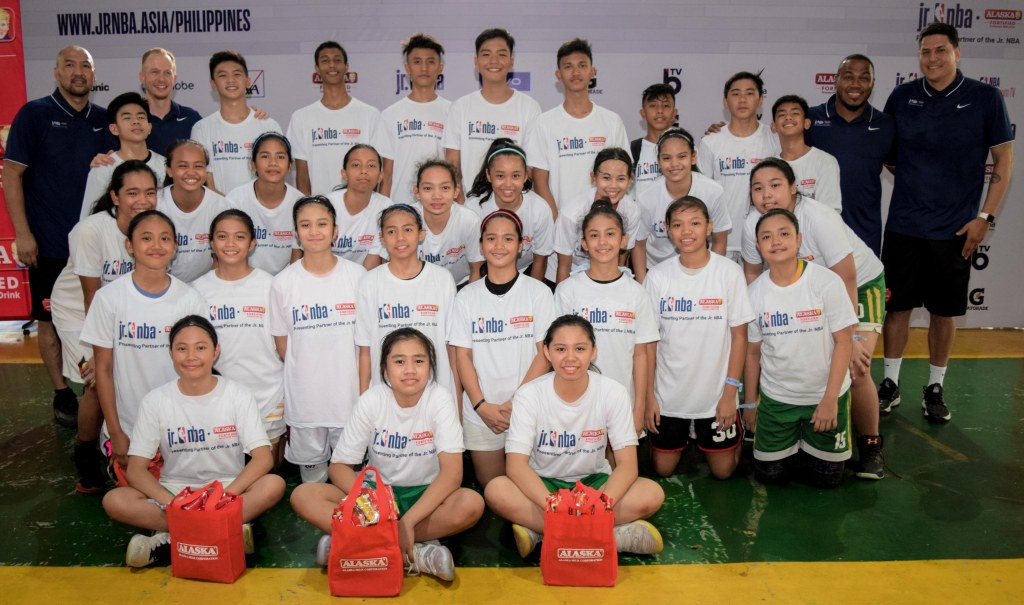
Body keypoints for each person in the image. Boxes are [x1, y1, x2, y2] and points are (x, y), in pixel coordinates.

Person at [880, 23, 1014, 424]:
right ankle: (890, 383)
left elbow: (1003, 162)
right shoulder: (903, 96)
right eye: (925, 52)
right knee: (897, 308)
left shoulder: (985, 97)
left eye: (940, 50)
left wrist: (984, 217)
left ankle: (935, 386)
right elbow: (885, 151)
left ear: (958, 52)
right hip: (904, 224)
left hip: (956, 230)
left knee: (944, 312)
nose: (932, 58)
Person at [291, 328, 483, 580]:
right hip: (376, 497)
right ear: (384, 369)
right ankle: (415, 553)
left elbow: (452, 474)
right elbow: (338, 467)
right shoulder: (371, 400)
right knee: (304, 495)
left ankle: (358, 543)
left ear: (431, 367)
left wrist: (409, 521)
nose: (410, 370)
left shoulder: (440, 400)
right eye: (399, 361)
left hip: (426, 496)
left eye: (419, 361)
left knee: (471, 504)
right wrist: (379, 504)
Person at [101, 315, 285, 568]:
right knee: (115, 501)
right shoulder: (155, 401)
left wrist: (223, 497)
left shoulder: (237, 395)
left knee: (272, 485)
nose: (191, 356)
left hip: (226, 490)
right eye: (181, 348)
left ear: (215, 351)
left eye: (200, 347)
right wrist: (175, 504)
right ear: (170, 353)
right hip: (174, 493)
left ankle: (170, 539)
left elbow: (263, 458)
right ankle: (224, 530)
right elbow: (136, 469)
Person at [741, 158, 886, 479]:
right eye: (758, 188)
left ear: (794, 188)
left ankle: (871, 444)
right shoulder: (753, 221)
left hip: (857, 285)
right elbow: (752, 272)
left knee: (856, 366)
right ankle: (793, 436)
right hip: (810, 288)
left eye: (775, 185)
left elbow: (846, 276)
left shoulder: (818, 217)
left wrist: (851, 336)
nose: (767, 195)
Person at [483, 315, 665, 558]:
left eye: (580, 348)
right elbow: (516, 466)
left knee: (652, 494)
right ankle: (612, 536)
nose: (570, 358)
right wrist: (553, 505)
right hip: (545, 486)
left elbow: (628, 466)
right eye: (560, 349)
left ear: (593, 352)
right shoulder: (529, 395)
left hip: (594, 484)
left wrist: (600, 504)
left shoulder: (613, 392)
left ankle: (544, 533)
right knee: (496, 490)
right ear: (547, 352)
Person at [3, 45, 108, 427]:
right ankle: (62, 392)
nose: (78, 72)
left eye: (86, 65)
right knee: (48, 321)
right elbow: (12, 175)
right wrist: (23, 233)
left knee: (99, 317)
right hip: (48, 241)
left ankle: (104, 386)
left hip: (97, 246)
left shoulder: (105, 119)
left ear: (94, 75)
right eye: (70, 65)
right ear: (56, 71)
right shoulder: (34, 114)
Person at [50, 162, 159, 493]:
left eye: (150, 192)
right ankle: (85, 459)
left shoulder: (153, 227)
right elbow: (90, 296)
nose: (142, 200)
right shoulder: (91, 230)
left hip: (122, 313)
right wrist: (102, 356)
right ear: (114, 196)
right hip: (79, 315)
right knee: (97, 380)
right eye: (132, 192)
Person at [79, 210, 207, 482]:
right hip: (128, 427)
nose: (156, 246)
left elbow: (198, 369)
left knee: (178, 495)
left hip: (179, 426)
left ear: (175, 246)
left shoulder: (189, 299)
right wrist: (116, 432)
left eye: (164, 238)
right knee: (130, 500)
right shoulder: (108, 299)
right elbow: (102, 369)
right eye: (146, 238)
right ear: (130, 245)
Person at [744, 209, 858, 488]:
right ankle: (793, 444)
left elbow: (844, 342)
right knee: (771, 477)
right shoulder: (754, 293)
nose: (776, 242)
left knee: (827, 480)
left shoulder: (826, 282)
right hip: (777, 399)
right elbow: (753, 353)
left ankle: (808, 445)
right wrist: (749, 404)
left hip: (825, 397)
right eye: (766, 237)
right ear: (758, 246)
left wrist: (830, 400)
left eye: (784, 234)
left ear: (799, 239)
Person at [643, 197, 753, 479]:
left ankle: (713, 435)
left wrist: (730, 394)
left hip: (715, 395)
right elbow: (649, 343)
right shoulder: (657, 277)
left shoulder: (728, 272)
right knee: (662, 469)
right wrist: (649, 398)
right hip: (669, 396)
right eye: (678, 225)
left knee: (723, 472)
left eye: (695, 223)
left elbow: (740, 337)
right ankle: (685, 434)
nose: (686, 231)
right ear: (667, 230)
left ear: (709, 227)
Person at [448, 210, 554, 487]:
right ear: (481, 245)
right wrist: (480, 405)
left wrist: (516, 404)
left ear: (521, 246)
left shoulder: (538, 292)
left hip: (529, 407)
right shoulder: (466, 297)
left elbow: (546, 354)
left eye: (508, 239)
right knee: (495, 489)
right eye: (491, 238)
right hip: (482, 412)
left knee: (533, 486)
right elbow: (463, 357)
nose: (498, 245)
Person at [270, 196, 366, 484]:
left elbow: (366, 345)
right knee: (313, 478)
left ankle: (354, 530)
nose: (314, 231)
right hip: (307, 401)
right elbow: (283, 346)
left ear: (335, 230)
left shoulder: (357, 276)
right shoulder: (283, 282)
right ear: (296, 232)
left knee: (352, 478)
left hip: (349, 399)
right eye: (305, 225)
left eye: (322, 224)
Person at [192, 210, 287, 467]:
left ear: (252, 243)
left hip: (268, 393)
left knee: (268, 472)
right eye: (222, 237)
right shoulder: (197, 291)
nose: (231, 244)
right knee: (226, 474)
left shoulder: (272, 286)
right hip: (218, 397)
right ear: (211, 242)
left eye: (239, 237)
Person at [554, 198, 659, 426]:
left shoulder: (636, 292)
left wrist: (640, 406)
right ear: (583, 243)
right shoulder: (567, 290)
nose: (602, 242)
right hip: (575, 406)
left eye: (610, 234)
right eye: (594, 235)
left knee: (620, 460)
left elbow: (641, 355)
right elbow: (555, 351)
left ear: (623, 240)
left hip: (623, 404)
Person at [356, 204, 458, 395]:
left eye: (408, 230)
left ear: (421, 234)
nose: (400, 238)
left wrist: (456, 405)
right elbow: (364, 350)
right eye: (391, 231)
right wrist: (364, 402)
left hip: (435, 397)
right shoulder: (369, 282)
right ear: (382, 238)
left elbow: (451, 348)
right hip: (386, 397)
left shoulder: (442, 279)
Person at [524, 38, 630, 217]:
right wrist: (558, 223)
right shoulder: (544, 123)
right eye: (568, 66)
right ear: (558, 74)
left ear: (592, 72)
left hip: (604, 224)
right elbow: (540, 182)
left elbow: (622, 175)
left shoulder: (612, 121)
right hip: (561, 224)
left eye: (582, 65)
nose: (575, 72)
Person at [806, 54, 894, 256]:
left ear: (872, 83)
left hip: (865, 233)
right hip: (816, 233)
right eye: (848, 77)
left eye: (864, 77)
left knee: (858, 289)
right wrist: (727, 131)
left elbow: (904, 168)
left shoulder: (886, 124)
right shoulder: (810, 118)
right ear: (836, 79)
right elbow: (776, 144)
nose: (856, 84)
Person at [287, 41, 392, 196]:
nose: (331, 65)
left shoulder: (370, 114)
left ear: (346, 67)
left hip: (363, 209)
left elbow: (383, 168)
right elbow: (302, 174)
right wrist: (308, 209)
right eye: (325, 61)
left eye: (337, 60)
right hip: (320, 212)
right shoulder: (301, 118)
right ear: (317, 69)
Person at [444, 28, 541, 195]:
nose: (494, 61)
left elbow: (532, 167)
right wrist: (462, 203)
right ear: (476, 61)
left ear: (511, 61)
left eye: (501, 54)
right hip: (471, 206)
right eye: (486, 54)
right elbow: (453, 164)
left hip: (514, 204)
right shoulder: (460, 107)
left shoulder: (529, 107)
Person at [697, 71, 780, 262]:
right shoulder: (711, 141)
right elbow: (702, 194)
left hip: (765, 240)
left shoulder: (774, 138)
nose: (742, 99)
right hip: (720, 241)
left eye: (750, 93)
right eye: (735, 94)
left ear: (761, 100)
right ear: (725, 102)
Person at [191, 50, 283, 193]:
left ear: (248, 81)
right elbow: (206, 182)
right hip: (220, 211)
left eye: (236, 74)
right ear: (213, 84)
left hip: (260, 209)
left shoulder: (268, 125)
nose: (230, 80)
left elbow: (276, 175)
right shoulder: (202, 128)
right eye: (222, 75)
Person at [637, 128, 729, 265]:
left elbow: (720, 240)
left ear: (693, 157)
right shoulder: (646, 198)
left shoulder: (713, 191)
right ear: (658, 161)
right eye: (667, 158)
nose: (674, 164)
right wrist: (643, 284)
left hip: (699, 268)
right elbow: (639, 245)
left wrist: (711, 274)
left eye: (682, 156)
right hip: (656, 269)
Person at [553, 148, 646, 283]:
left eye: (621, 179)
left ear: (630, 181)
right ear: (594, 178)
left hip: (607, 273)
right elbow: (564, 265)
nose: (613, 186)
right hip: (572, 274)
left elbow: (622, 256)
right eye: (606, 178)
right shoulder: (571, 214)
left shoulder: (632, 211)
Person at [465, 138, 553, 281]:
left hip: (524, 272)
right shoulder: (473, 208)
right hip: (484, 271)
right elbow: (475, 265)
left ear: (525, 176)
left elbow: (540, 261)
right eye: (500, 176)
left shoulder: (540, 210)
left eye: (516, 176)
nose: (508, 184)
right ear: (489, 175)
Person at [381, 34, 451, 205]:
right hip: (400, 206)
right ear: (407, 67)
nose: (424, 68)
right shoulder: (389, 114)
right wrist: (382, 208)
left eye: (430, 61)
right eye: (417, 62)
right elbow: (386, 173)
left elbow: (454, 166)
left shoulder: (452, 111)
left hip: (440, 205)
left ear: (440, 67)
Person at [80, 92, 166, 221]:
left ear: (149, 127)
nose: (136, 121)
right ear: (114, 128)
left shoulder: (165, 165)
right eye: (127, 118)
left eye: (141, 117)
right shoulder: (103, 168)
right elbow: (89, 220)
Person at [225, 132, 303, 275]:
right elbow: (228, 250)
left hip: (286, 279)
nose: (273, 162)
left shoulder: (300, 202)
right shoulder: (236, 200)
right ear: (253, 164)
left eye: (280, 157)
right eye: (265, 156)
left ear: (290, 166)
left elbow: (296, 255)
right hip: (243, 278)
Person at [302, 144, 390, 268]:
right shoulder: (325, 206)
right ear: (344, 174)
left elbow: (373, 261)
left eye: (371, 165)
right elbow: (315, 255)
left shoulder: (385, 207)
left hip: (363, 277)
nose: (364, 171)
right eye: (356, 165)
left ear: (381, 176)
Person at [156, 139, 230, 283]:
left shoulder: (221, 206)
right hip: (160, 286)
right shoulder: (155, 203)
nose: (191, 172)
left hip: (204, 288)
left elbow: (221, 259)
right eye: (183, 166)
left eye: (198, 166)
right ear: (169, 170)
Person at [411, 160, 483, 285]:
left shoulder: (469, 221)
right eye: (428, 188)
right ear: (417, 192)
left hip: (460, 285)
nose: (437, 196)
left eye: (445, 188)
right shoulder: (406, 219)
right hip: (416, 287)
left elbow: (476, 270)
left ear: (456, 191)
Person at [770, 95, 841, 213]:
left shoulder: (825, 162)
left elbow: (829, 213)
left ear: (807, 123)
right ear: (774, 126)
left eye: (795, 113)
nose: (788, 117)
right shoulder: (768, 166)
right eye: (782, 114)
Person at [137, 48, 202, 156]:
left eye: (167, 73)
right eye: (155, 72)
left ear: (174, 78)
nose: (161, 79)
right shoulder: (129, 122)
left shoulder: (192, 119)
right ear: (142, 77)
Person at [631, 83, 678, 197]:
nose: (660, 110)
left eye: (666, 105)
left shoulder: (687, 149)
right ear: (643, 113)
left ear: (674, 113)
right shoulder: (632, 150)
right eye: (653, 105)